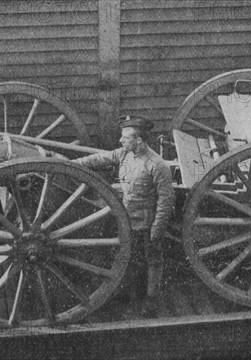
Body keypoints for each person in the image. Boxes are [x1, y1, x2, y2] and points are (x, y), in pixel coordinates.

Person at [73, 115, 175, 317]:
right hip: (125, 219)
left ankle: (151, 301)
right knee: (129, 261)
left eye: (125, 138)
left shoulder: (157, 165)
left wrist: (156, 231)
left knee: (151, 261)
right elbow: (99, 159)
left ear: (139, 140)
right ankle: (130, 297)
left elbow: (166, 202)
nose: (121, 141)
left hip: (145, 223)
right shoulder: (124, 154)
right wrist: (72, 164)